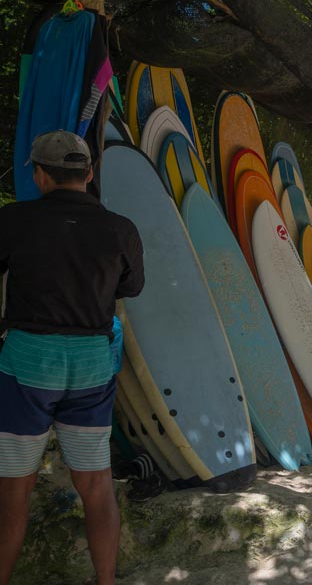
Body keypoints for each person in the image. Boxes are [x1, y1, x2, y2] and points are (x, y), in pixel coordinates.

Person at [0, 131, 144, 585]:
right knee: (96, 484)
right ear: (90, 173)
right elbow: (131, 287)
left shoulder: (13, 220)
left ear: (41, 175)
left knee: (13, 488)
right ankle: (106, 583)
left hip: (29, 362)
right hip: (90, 365)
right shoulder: (121, 229)